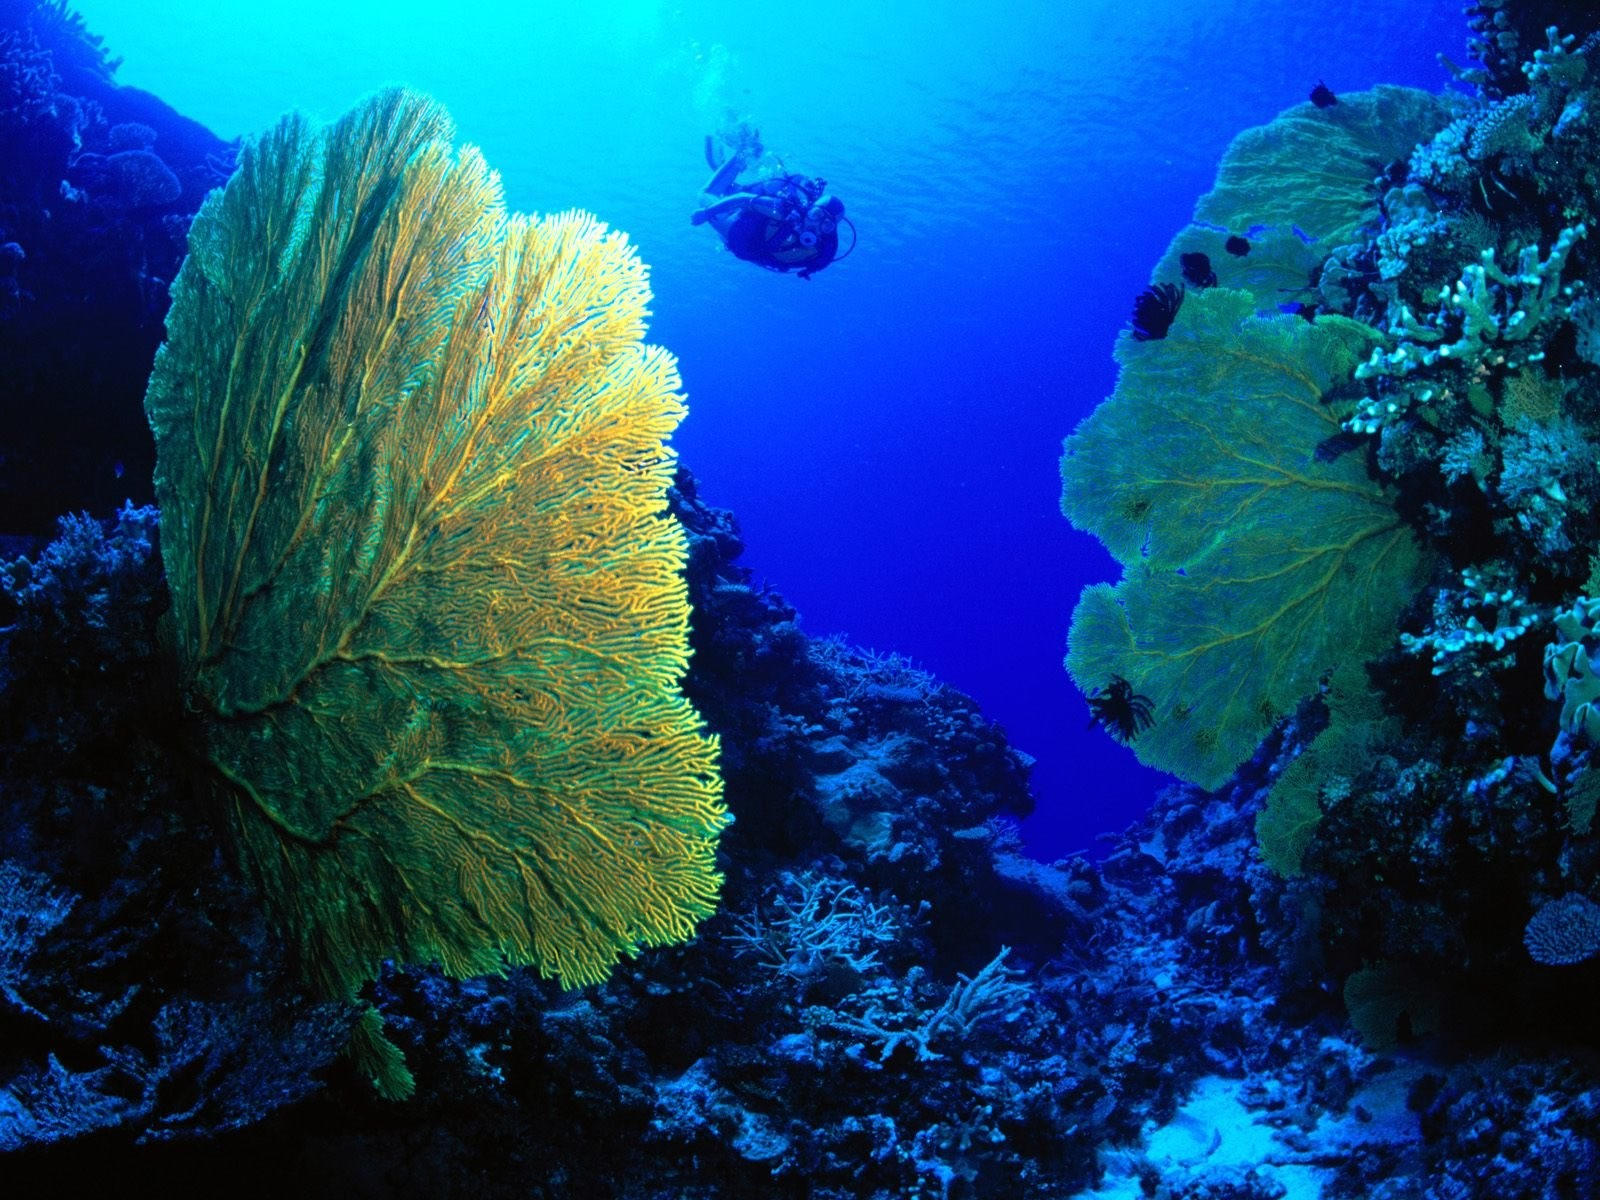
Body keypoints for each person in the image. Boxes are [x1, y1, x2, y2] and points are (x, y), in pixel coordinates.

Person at [691, 133, 851, 280]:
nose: (816, 224)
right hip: (733, 227)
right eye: (816, 215)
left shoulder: (823, 250)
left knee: (730, 190)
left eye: (826, 224)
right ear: (808, 210)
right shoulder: (783, 210)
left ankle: (742, 158)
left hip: (745, 233)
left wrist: (807, 272)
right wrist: (706, 213)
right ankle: (744, 151)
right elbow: (743, 199)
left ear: (830, 230)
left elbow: (816, 265)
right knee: (705, 196)